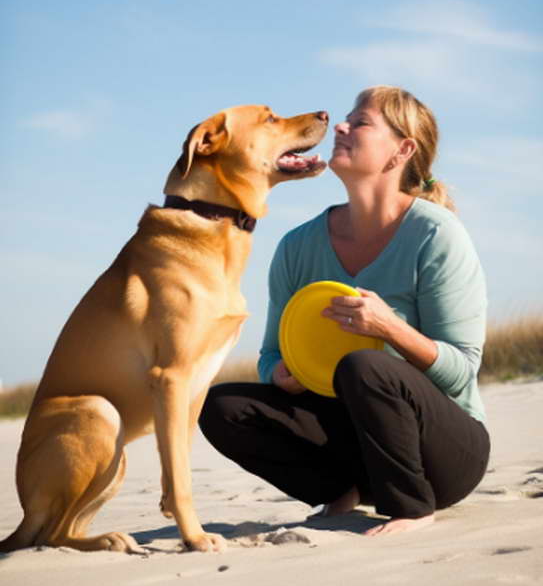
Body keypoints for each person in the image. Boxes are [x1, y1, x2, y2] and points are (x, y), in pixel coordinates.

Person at [199, 86, 490, 536]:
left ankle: (411, 507)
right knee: (222, 405)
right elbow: (269, 358)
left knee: (365, 365)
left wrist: (390, 329)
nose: (340, 126)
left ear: (402, 150)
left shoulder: (437, 235)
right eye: (346, 119)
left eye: (361, 122)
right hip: (356, 446)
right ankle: (343, 490)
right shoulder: (298, 246)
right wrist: (284, 374)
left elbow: (462, 371)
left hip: (445, 455)